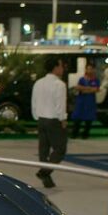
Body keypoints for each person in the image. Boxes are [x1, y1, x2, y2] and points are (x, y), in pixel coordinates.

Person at [31, 55, 68, 189]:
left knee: (43, 149)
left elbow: (34, 101)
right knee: (60, 149)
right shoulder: (60, 84)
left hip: (41, 119)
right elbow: (60, 104)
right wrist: (63, 118)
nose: (62, 68)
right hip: (54, 120)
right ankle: (44, 172)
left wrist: (36, 115)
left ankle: (46, 178)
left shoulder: (38, 83)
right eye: (61, 66)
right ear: (55, 67)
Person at [71, 63, 100, 139]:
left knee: (89, 119)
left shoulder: (95, 80)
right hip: (81, 102)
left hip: (90, 102)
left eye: (91, 69)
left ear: (93, 70)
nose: (89, 70)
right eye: (88, 68)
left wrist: (84, 88)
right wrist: (90, 89)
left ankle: (85, 135)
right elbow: (78, 88)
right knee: (77, 119)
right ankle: (74, 134)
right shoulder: (82, 79)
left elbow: (96, 89)